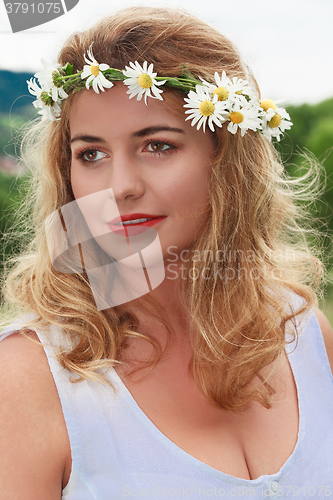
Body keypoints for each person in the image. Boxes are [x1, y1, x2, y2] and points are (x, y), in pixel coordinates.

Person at [1, 6, 333, 499]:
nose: (119, 187)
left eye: (156, 145)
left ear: (226, 157)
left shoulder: (303, 333)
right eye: (90, 154)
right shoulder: (27, 380)